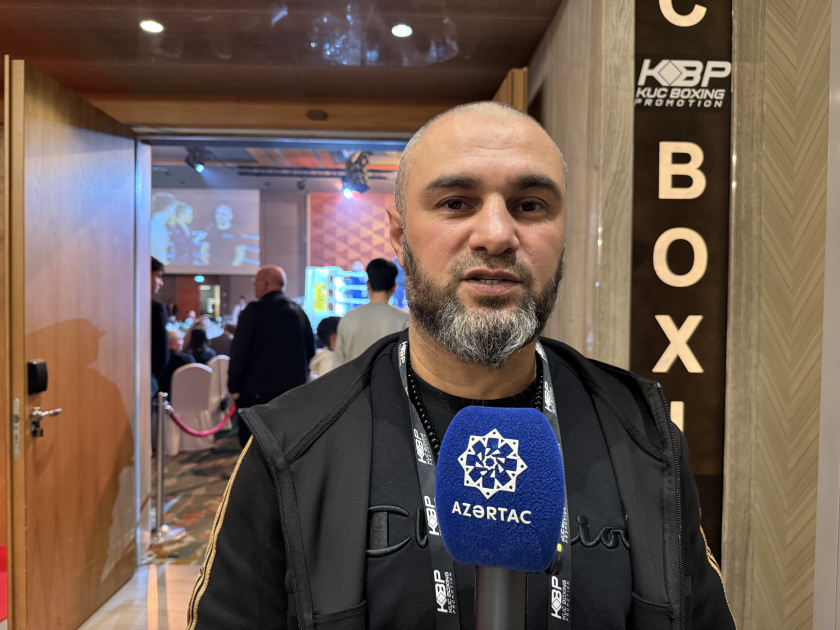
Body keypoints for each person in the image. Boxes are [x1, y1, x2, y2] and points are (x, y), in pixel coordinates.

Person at [188, 102, 734, 629]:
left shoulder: (645, 435)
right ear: (400, 236)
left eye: (530, 206)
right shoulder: (290, 447)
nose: (496, 235)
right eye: (455, 202)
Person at [227, 265, 315, 446]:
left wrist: (233, 386)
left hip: (255, 393)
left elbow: (239, 352)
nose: (254, 285)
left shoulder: (253, 312)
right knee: (286, 444)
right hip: (292, 392)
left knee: (253, 446)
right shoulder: (298, 312)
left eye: (256, 281)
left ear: (266, 283)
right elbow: (310, 352)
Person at [334, 258, 410, 365]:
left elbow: (337, 365)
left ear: (367, 285)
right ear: (394, 287)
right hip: (387, 376)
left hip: (353, 376)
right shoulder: (404, 320)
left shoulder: (348, 318)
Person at [150, 258, 169, 397]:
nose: (161, 282)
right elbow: (161, 355)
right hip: (147, 381)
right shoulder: (156, 309)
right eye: (158, 276)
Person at [159, 330, 196, 399]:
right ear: (172, 343)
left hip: (161, 397)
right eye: (180, 339)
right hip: (184, 397)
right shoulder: (186, 360)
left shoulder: (158, 359)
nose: (182, 342)